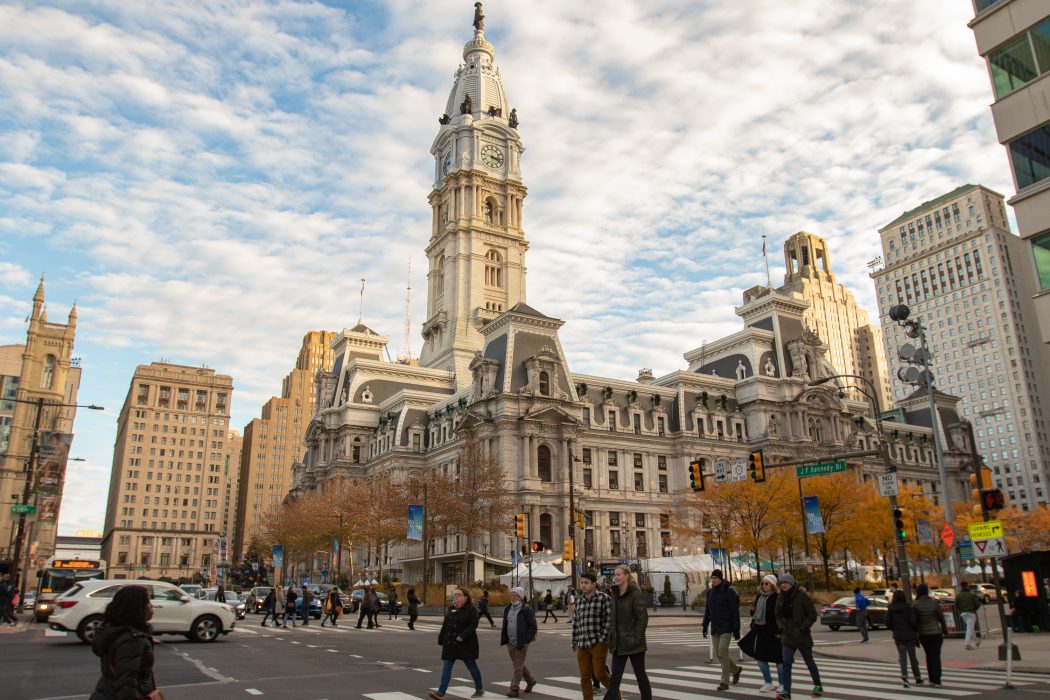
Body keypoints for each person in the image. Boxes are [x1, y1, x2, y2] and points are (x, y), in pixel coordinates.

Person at [89, 585, 162, 700]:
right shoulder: (132, 639)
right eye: (148, 602)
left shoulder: (113, 630)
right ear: (137, 608)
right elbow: (127, 682)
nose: (152, 606)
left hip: (106, 692)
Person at [603, 564, 651, 700]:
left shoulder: (635, 594)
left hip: (634, 643)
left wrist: (636, 637)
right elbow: (613, 619)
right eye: (615, 575)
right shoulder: (614, 594)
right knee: (615, 679)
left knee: (640, 676)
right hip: (619, 643)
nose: (615, 577)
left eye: (618, 575)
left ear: (626, 576)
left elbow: (643, 617)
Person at [429, 587, 484, 700]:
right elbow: (445, 625)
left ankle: (479, 688)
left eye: (459, 594)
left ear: (466, 597)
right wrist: (441, 638)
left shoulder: (471, 610)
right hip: (450, 643)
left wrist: (463, 636)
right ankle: (441, 692)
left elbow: (473, 625)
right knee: (447, 666)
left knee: (471, 666)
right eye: (455, 595)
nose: (456, 597)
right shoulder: (451, 608)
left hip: (466, 643)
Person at [774, 573, 823, 700]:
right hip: (787, 635)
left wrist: (804, 627)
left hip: (802, 635)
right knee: (786, 663)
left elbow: (812, 614)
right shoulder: (780, 597)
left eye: (786, 583)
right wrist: (781, 626)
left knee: (809, 661)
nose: (783, 585)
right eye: (782, 583)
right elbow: (777, 614)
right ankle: (786, 690)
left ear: (792, 584)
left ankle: (817, 685)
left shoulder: (801, 596)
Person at [572, 572, 618, 700]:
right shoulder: (579, 600)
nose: (583, 585)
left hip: (597, 641)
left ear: (594, 584)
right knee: (584, 676)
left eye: (586, 583)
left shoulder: (603, 598)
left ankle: (616, 695)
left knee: (600, 673)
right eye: (582, 583)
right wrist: (574, 641)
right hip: (582, 643)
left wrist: (603, 639)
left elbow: (609, 620)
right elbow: (576, 622)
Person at [741, 574, 783, 693]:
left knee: (779, 660)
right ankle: (768, 681)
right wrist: (753, 609)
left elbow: (779, 616)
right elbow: (755, 615)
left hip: (774, 632)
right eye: (763, 583)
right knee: (760, 659)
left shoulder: (777, 597)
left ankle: (782, 683)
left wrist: (780, 631)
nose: (764, 586)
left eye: (767, 583)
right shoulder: (760, 596)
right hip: (760, 631)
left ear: (773, 585)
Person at [702, 568, 742, 690]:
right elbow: (708, 610)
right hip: (715, 627)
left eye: (715, 578)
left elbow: (734, 611)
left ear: (720, 578)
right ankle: (735, 670)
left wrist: (736, 628)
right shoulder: (710, 592)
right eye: (712, 578)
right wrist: (704, 625)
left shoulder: (728, 591)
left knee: (722, 652)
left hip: (727, 626)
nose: (712, 581)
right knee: (719, 655)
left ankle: (724, 681)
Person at [500, 587, 537, 697]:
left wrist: (526, 640)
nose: (512, 597)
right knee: (518, 665)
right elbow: (505, 624)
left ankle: (514, 688)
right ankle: (531, 681)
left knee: (517, 666)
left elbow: (533, 627)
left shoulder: (527, 609)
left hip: (522, 642)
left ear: (520, 596)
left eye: (515, 595)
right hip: (510, 642)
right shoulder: (508, 608)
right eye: (511, 595)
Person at [886, 589, 922, 687]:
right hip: (910, 635)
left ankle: (905, 677)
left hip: (898, 635)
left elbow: (888, 623)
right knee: (913, 657)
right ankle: (917, 677)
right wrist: (915, 630)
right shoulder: (909, 607)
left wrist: (895, 629)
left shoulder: (891, 608)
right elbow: (914, 622)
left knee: (902, 657)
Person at [912, 583, 946, 688]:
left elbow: (914, 622)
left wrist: (915, 635)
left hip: (924, 634)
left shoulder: (915, 604)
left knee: (928, 655)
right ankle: (937, 679)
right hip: (936, 632)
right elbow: (941, 618)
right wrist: (945, 629)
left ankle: (931, 678)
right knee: (936, 656)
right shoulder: (934, 603)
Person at [955, 583, 982, 650]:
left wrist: (961, 609)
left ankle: (977, 641)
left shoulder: (958, 596)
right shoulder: (972, 594)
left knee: (970, 628)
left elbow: (956, 605)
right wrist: (974, 609)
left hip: (963, 613)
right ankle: (967, 644)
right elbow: (977, 604)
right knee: (970, 628)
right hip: (971, 612)